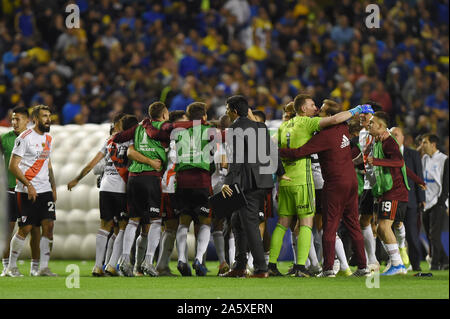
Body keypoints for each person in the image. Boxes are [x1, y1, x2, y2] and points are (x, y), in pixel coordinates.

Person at [268, 94, 374, 278]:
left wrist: (278, 153)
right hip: (349, 182)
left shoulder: (318, 135)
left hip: (325, 183)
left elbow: (299, 151)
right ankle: (363, 267)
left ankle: (326, 269)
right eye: (314, 106)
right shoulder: (342, 129)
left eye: (321, 110)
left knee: (326, 226)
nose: (317, 110)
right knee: (352, 225)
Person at [220, 95, 286, 278]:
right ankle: (240, 265)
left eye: (227, 109)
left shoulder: (234, 129)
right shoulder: (260, 126)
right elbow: (272, 151)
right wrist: (280, 172)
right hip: (263, 182)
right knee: (237, 221)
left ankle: (261, 268)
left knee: (249, 224)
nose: (226, 112)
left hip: (246, 183)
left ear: (234, 111)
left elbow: (236, 159)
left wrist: (227, 182)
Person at [67, 114, 137, 276]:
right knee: (122, 226)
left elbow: (92, 164)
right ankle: (112, 265)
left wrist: (77, 179)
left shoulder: (109, 141)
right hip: (121, 187)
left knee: (104, 226)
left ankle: (98, 266)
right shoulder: (134, 142)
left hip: (105, 186)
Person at [366, 112, 425, 275]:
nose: (369, 125)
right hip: (386, 191)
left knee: (385, 227)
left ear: (380, 126)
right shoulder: (378, 141)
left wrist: (376, 161)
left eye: (372, 123)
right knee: (380, 228)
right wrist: (419, 181)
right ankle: (396, 262)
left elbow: (399, 162)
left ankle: (398, 264)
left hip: (395, 192)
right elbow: (404, 166)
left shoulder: (389, 142)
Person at [6, 105, 57, 277]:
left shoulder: (49, 138)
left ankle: (43, 267)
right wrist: (29, 185)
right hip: (25, 190)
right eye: (44, 116)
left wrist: (53, 186)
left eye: (49, 116)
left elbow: (48, 165)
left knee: (48, 227)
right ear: (35, 119)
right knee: (26, 228)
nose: (48, 119)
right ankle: (11, 267)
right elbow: (12, 166)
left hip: (45, 190)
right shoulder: (24, 137)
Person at [117, 102, 166, 277]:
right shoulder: (163, 128)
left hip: (134, 178)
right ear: (164, 114)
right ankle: (148, 261)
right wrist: (152, 161)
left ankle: (124, 260)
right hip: (151, 177)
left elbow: (129, 150)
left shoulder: (137, 128)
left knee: (133, 220)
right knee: (156, 221)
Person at [1, 106, 41, 277]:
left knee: (35, 230)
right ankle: (7, 267)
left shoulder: (36, 138)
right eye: (12, 119)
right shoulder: (4, 139)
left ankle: (35, 268)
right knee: (8, 230)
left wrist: (52, 186)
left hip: (31, 191)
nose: (14, 123)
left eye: (18, 119)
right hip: (10, 191)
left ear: (27, 121)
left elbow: (47, 162)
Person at [155, 110, 189, 276]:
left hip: (176, 185)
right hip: (171, 186)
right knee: (170, 227)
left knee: (171, 227)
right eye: (184, 122)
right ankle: (160, 265)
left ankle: (162, 264)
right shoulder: (173, 139)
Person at [390, 127, 426, 271]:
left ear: (403, 137)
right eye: (391, 135)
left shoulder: (413, 154)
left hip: (410, 202)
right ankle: (394, 263)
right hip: (393, 199)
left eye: (396, 135)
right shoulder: (388, 153)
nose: (394, 137)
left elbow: (419, 176)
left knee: (412, 234)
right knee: (391, 233)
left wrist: (421, 199)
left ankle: (416, 265)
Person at [357, 102, 382, 272]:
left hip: (381, 182)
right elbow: (363, 154)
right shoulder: (362, 133)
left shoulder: (382, 132)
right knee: (364, 220)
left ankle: (399, 259)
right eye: (360, 116)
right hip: (368, 182)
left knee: (386, 223)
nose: (361, 118)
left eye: (364, 115)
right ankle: (372, 260)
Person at [420, 133, 449, 270]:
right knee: (429, 235)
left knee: (434, 235)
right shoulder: (425, 158)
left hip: (438, 202)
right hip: (426, 202)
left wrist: (442, 201)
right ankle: (446, 261)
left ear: (433, 144)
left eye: (425, 142)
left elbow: (446, 183)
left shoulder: (444, 160)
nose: (422, 145)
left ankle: (435, 264)